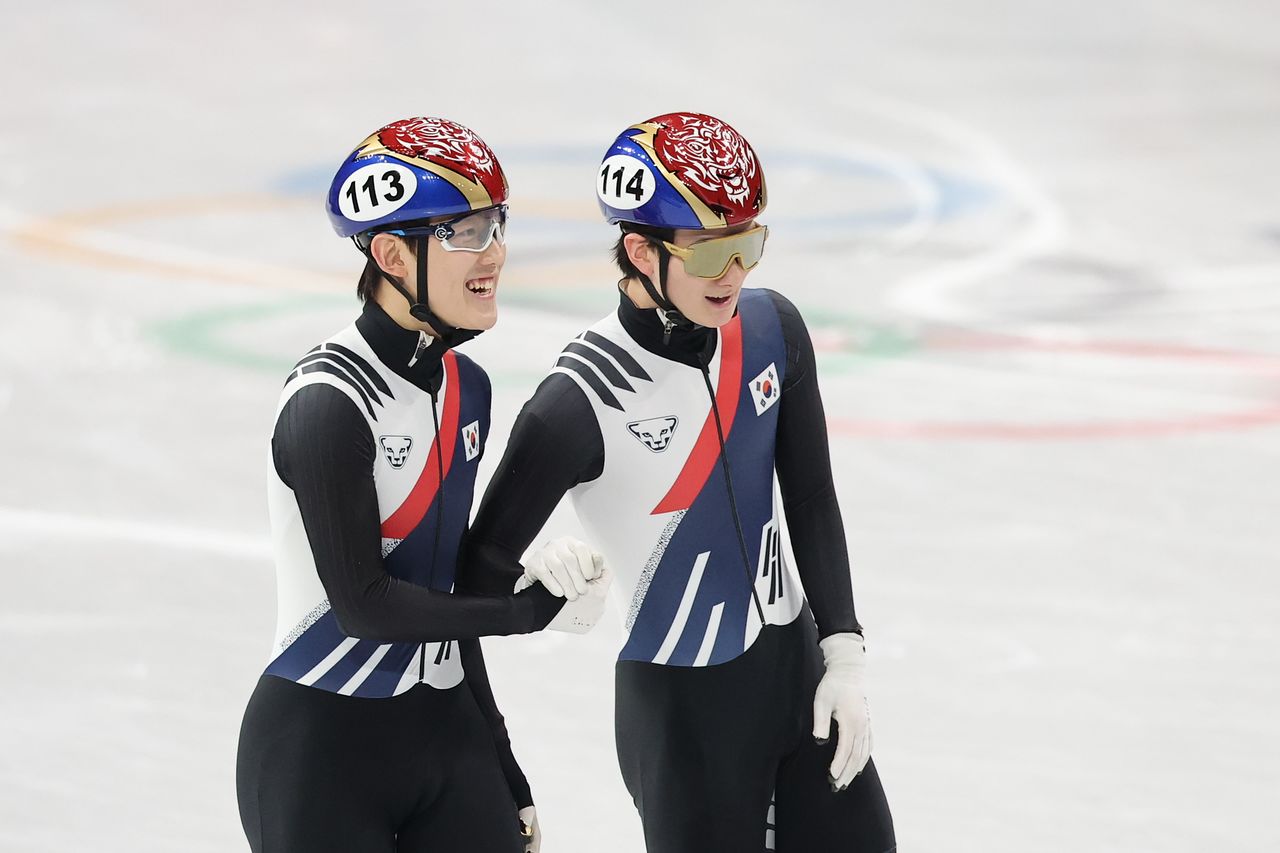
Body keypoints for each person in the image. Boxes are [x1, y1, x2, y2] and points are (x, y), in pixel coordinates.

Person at [462, 112, 895, 852]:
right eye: (708, 254)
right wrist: (545, 581)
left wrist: (844, 655)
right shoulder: (576, 402)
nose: (735, 274)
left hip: (799, 684)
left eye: (747, 244)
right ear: (639, 250)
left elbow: (812, 496)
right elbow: (473, 572)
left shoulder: (771, 328)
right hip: (685, 718)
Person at [235, 116, 611, 853]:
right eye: (466, 232)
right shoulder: (328, 404)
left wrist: (505, 765)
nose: (495, 253)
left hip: (446, 735)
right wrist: (525, 611)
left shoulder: (465, 385)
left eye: (497, 225)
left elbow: (442, 600)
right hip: (321, 750)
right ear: (391, 254)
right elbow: (365, 605)